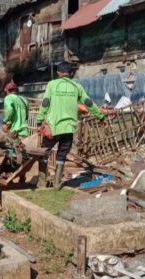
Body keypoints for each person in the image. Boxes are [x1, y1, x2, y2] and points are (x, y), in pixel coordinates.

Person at [36, 62, 105, 190]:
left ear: (58, 72)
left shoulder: (52, 84)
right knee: (62, 155)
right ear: (70, 73)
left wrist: (39, 121)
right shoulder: (76, 87)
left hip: (53, 127)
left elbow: (45, 103)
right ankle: (57, 184)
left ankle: (41, 183)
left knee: (43, 153)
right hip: (68, 128)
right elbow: (88, 102)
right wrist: (100, 116)